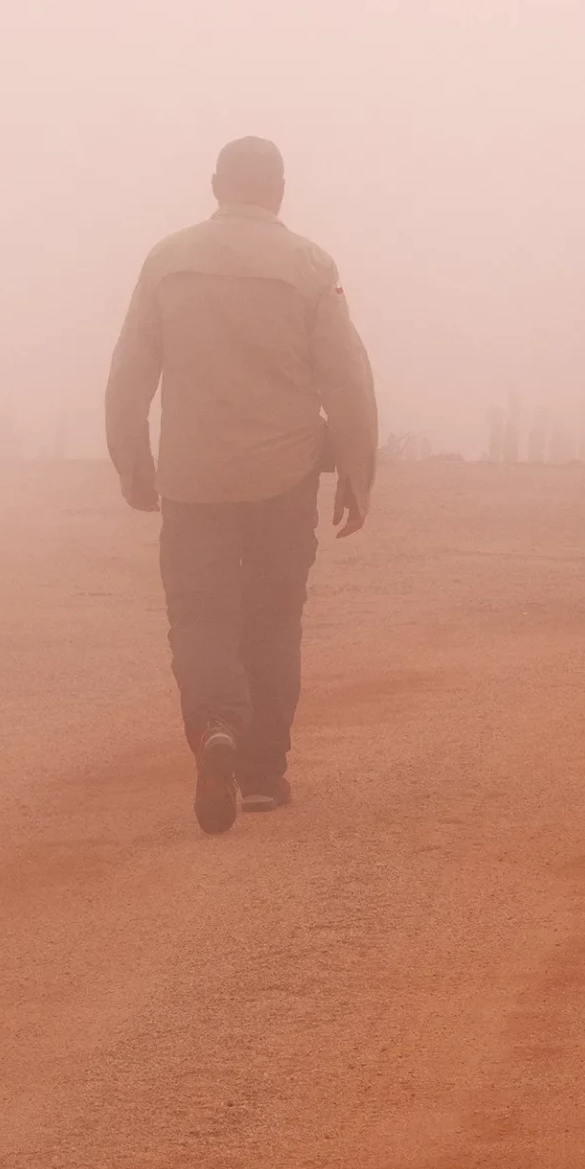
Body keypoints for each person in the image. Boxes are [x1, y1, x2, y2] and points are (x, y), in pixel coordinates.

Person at [105, 137, 378, 833]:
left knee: (200, 616)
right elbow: (346, 377)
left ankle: (217, 725)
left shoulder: (168, 260)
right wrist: (356, 467)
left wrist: (131, 458)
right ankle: (262, 773)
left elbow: (131, 369)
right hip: (284, 480)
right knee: (273, 617)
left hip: (194, 478)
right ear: (279, 190)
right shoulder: (310, 265)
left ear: (216, 185)